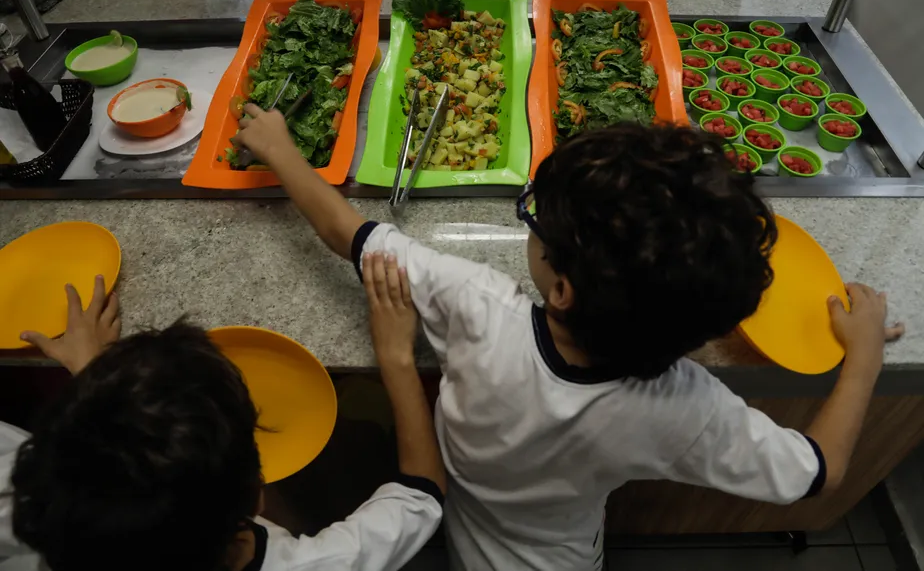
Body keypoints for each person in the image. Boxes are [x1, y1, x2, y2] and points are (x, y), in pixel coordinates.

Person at [233, 112, 903, 571]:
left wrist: (281, 149)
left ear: (562, 288)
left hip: (464, 531)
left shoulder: (475, 305)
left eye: (537, 220)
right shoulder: (688, 405)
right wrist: (863, 355)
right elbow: (817, 470)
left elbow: (346, 232)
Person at [0, 263, 445, 571]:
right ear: (256, 495)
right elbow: (422, 494)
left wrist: (98, 384)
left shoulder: (37, 508)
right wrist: (396, 355)